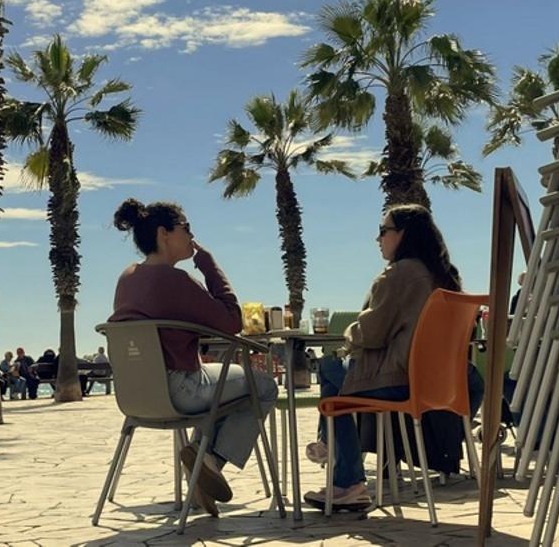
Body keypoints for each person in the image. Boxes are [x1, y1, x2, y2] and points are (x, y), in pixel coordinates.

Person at [108, 198, 278, 517]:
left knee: (225, 385)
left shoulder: (127, 277)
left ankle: (201, 466)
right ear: (164, 233)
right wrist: (209, 265)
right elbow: (231, 321)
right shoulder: (177, 280)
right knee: (264, 386)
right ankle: (210, 460)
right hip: (181, 390)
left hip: (137, 397)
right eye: (186, 228)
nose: (192, 235)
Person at [303, 204, 463, 510]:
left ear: (404, 234)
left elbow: (371, 333)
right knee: (337, 391)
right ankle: (335, 458)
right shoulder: (444, 276)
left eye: (383, 231)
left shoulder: (401, 273)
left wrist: (348, 333)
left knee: (328, 367)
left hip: (397, 379)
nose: (378, 239)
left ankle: (344, 475)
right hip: (440, 384)